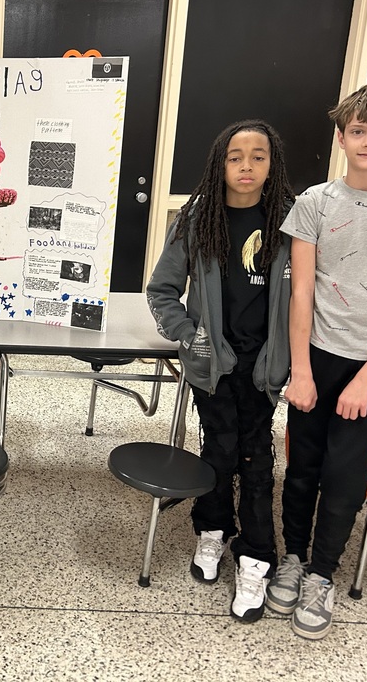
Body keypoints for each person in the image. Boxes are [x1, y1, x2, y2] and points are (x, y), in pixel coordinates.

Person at [270, 84, 367, 640]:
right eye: (358, 130)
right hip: (316, 357)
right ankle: (292, 557)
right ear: (341, 138)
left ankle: (322, 572)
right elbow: (302, 291)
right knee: (303, 465)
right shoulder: (314, 203)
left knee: (344, 475)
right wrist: (302, 370)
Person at [147, 119, 295, 623]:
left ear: (272, 164)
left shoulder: (292, 221)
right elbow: (161, 290)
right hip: (213, 365)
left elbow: (307, 301)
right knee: (219, 450)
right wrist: (189, 334)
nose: (247, 166)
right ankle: (212, 531)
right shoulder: (197, 219)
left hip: (266, 367)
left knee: (257, 460)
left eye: (258, 156)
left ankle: (255, 557)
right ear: (220, 163)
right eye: (236, 157)